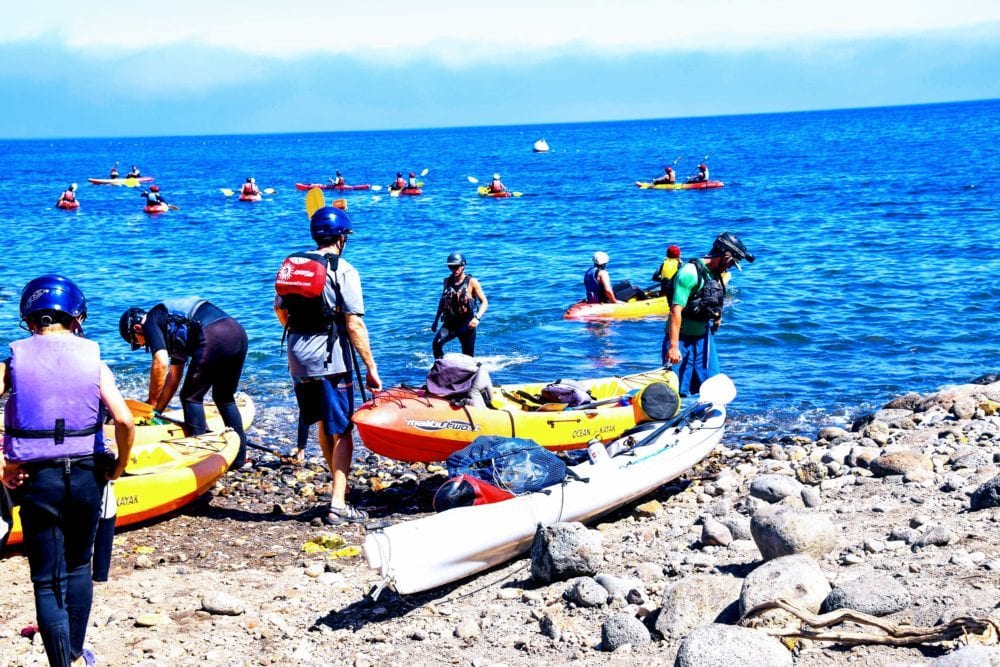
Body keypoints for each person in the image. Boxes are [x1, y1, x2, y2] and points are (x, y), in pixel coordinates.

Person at [1, 275, 135, 667]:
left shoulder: (11, 362)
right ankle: (76, 654)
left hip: (35, 478)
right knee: (79, 565)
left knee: (45, 579)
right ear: (78, 317)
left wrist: (2, 466)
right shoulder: (96, 361)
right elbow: (125, 422)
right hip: (86, 476)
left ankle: (61, 664)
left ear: (29, 320)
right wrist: (118, 467)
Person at [274, 206, 381, 523]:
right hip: (330, 358)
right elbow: (354, 325)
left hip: (298, 357)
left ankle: (338, 486)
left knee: (322, 422)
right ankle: (338, 504)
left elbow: (279, 310)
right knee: (344, 429)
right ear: (341, 237)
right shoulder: (344, 270)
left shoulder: (293, 265)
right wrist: (371, 367)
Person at [118, 298, 250, 468]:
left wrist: (150, 402)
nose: (144, 345)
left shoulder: (151, 321)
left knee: (190, 397)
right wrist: (157, 411)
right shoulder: (171, 324)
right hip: (237, 332)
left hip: (213, 334)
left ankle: (203, 458)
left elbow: (161, 361)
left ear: (137, 329)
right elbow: (174, 375)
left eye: (136, 342)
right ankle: (239, 460)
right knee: (224, 397)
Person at [664, 232, 754, 396]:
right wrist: (673, 347)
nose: (730, 267)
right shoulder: (689, 273)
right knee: (675, 390)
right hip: (681, 339)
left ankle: (709, 416)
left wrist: (718, 316)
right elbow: (676, 311)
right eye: (731, 263)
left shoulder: (714, 274)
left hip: (703, 338)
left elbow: (712, 298)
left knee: (714, 384)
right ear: (725, 257)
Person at [431, 252, 488, 358]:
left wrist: (477, 318)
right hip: (450, 323)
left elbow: (484, 302)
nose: (453, 269)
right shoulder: (447, 281)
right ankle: (441, 367)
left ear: (463, 265)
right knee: (436, 344)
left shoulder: (472, 282)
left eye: (456, 266)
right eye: (450, 267)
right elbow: (442, 301)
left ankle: (469, 371)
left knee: (468, 356)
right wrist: (435, 320)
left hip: (466, 324)